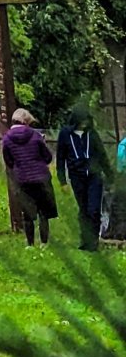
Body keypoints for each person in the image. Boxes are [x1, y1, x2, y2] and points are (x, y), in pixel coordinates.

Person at [2, 108, 58, 247]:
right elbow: (48, 157)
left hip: (23, 179)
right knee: (43, 212)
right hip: (41, 178)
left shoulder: (7, 138)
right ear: (26, 121)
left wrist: (18, 167)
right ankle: (44, 243)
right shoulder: (35, 135)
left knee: (27, 214)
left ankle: (30, 244)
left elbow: (8, 161)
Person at [56, 105, 108, 250]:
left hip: (94, 176)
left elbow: (102, 155)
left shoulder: (92, 134)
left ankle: (94, 241)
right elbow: (61, 158)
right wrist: (62, 181)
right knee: (83, 209)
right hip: (77, 176)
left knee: (94, 209)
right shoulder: (65, 134)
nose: (84, 124)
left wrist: (110, 175)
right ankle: (85, 240)